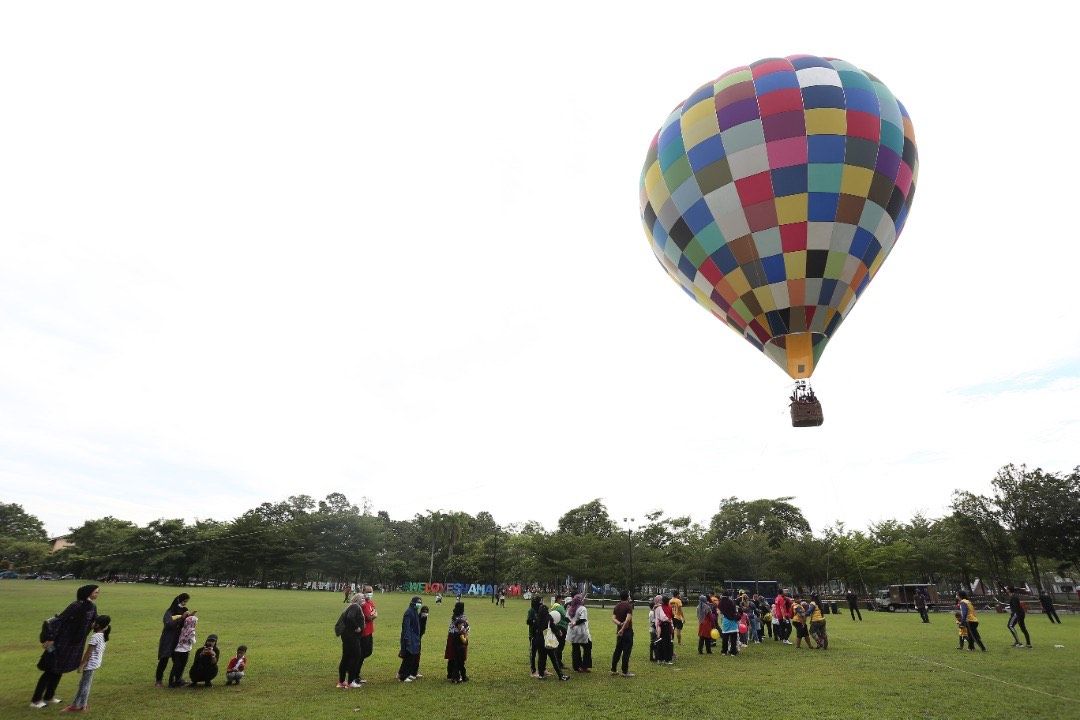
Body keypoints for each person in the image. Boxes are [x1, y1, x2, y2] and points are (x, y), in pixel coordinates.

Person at [32, 584, 100, 708]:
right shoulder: (76, 606)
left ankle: (49, 696)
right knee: (50, 670)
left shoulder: (92, 607)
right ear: (88, 593)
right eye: (96, 592)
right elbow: (60, 620)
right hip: (61, 642)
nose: (97, 594)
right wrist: (50, 639)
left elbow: (95, 622)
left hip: (75, 644)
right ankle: (36, 700)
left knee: (59, 670)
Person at [62, 614, 110, 713]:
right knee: (83, 684)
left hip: (90, 664)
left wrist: (82, 665)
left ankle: (81, 706)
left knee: (84, 685)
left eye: (94, 622)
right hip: (95, 663)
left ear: (97, 625)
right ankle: (78, 704)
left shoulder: (95, 636)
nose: (92, 623)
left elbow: (88, 652)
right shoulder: (103, 635)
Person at [156, 593, 192, 687]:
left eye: (186, 602)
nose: (185, 603)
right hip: (169, 638)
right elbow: (168, 624)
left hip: (179, 639)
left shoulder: (185, 610)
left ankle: (177, 679)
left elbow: (185, 624)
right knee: (164, 659)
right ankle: (158, 680)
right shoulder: (170, 611)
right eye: (184, 601)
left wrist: (189, 618)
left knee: (178, 661)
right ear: (179, 600)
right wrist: (181, 617)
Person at [336, 593, 365, 688]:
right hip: (352, 637)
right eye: (362, 598)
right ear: (358, 599)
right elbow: (350, 617)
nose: (364, 599)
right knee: (356, 656)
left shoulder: (351, 606)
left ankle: (341, 682)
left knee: (346, 657)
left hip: (347, 636)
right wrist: (357, 627)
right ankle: (351, 681)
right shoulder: (355, 607)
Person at [169, 613, 199, 687]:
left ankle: (172, 681)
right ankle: (177, 680)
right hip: (184, 651)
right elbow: (193, 641)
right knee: (181, 666)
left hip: (176, 650)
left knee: (175, 666)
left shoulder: (182, 628)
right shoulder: (191, 631)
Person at [397, 596, 422, 682]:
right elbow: (406, 627)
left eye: (420, 603)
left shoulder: (414, 611)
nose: (419, 604)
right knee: (409, 657)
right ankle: (403, 676)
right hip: (409, 638)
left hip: (414, 638)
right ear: (413, 603)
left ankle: (401, 673)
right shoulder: (409, 612)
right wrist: (407, 638)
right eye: (418, 602)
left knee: (410, 656)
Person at [610, 590, 634, 677]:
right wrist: (623, 628)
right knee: (626, 652)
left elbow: (613, 619)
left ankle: (613, 669)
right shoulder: (629, 606)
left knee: (617, 650)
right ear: (627, 597)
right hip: (627, 632)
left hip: (619, 632)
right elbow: (628, 620)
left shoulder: (617, 606)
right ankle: (624, 672)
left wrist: (620, 625)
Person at [566, 594, 592, 672]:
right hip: (581, 631)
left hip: (572, 630)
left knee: (575, 648)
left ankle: (576, 666)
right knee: (588, 646)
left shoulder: (570, 608)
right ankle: (585, 666)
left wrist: (571, 622)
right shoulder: (582, 608)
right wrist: (575, 623)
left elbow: (566, 617)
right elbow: (583, 619)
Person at [444, 601, 470, 683]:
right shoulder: (462, 617)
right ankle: (458, 676)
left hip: (451, 637)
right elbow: (466, 628)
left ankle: (450, 674)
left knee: (452, 656)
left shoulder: (453, 616)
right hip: (460, 638)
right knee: (459, 658)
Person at [357, 586, 378, 684]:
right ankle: (355, 674)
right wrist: (373, 615)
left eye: (371, 592)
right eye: (367, 592)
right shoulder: (363, 604)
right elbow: (370, 617)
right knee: (361, 654)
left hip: (370, 631)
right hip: (364, 632)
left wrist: (373, 615)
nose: (369, 593)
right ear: (363, 592)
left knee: (368, 652)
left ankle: (354, 670)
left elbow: (374, 613)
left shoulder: (371, 602)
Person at [653, 595, 674, 664]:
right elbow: (669, 617)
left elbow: (656, 618)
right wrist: (669, 622)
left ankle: (659, 659)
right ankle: (667, 659)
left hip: (659, 627)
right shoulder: (669, 607)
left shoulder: (657, 607)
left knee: (660, 642)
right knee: (667, 643)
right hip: (666, 626)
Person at [718, 590, 739, 656]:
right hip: (733, 621)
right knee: (733, 638)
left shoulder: (721, 603)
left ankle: (724, 651)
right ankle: (733, 652)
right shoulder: (731, 602)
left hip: (726, 621)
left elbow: (720, 611)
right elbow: (734, 611)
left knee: (725, 638)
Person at [526, 596, 542, 677]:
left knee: (542, 652)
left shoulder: (540, 609)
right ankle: (533, 671)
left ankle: (542, 669)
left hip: (540, 634)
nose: (541, 602)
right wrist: (535, 621)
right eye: (539, 601)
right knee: (533, 652)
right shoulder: (531, 611)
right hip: (533, 635)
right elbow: (528, 621)